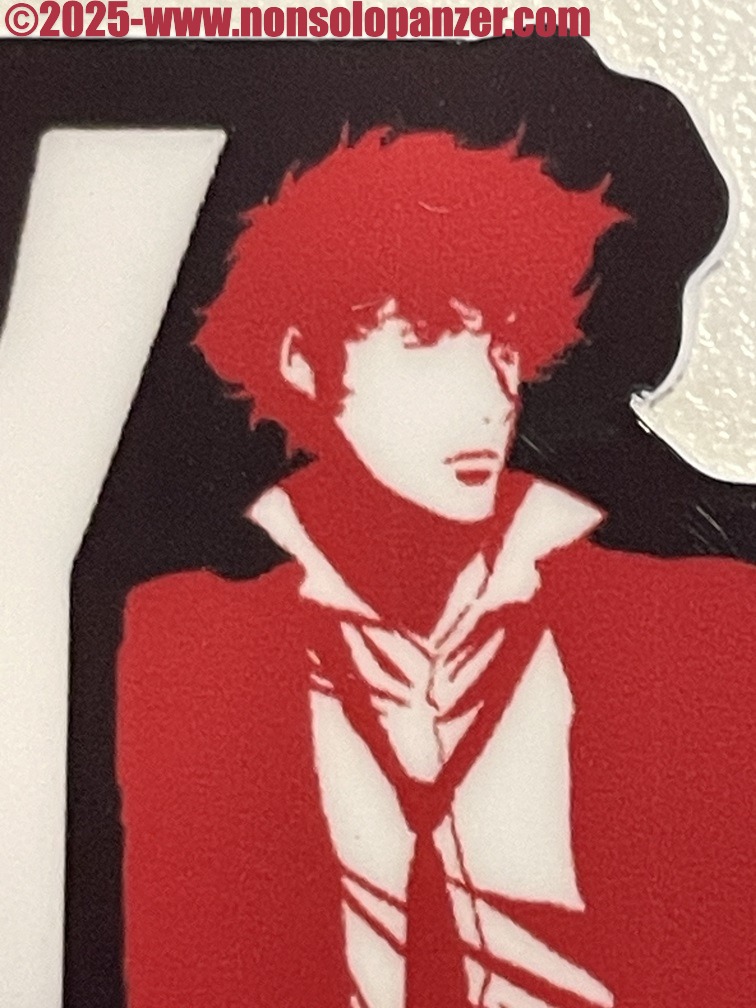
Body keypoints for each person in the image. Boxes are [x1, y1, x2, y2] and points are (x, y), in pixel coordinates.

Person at [116, 128, 754, 1008]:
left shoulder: (698, 625)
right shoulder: (189, 645)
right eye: (426, 338)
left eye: (503, 346)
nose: (490, 395)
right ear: (302, 360)